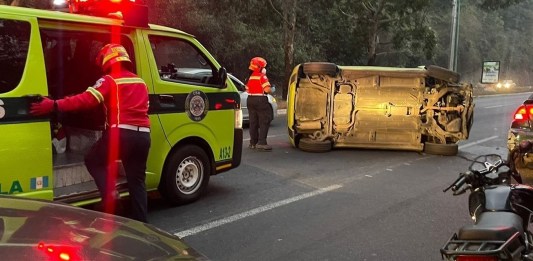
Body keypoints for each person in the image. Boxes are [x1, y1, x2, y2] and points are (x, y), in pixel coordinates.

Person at [30, 43, 151, 223]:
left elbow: (87, 100)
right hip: (143, 137)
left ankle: (111, 195)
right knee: (137, 181)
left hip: (121, 134)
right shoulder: (140, 82)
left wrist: (54, 104)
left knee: (93, 160)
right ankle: (142, 225)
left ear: (108, 61)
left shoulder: (110, 80)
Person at [246, 56, 274, 151]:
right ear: (259, 67)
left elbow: (247, 89)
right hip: (260, 100)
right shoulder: (262, 77)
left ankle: (253, 142)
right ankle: (262, 143)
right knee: (264, 120)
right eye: (263, 67)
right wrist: (271, 89)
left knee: (253, 122)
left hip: (250, 99)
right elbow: (267, 89)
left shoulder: (250, 77)